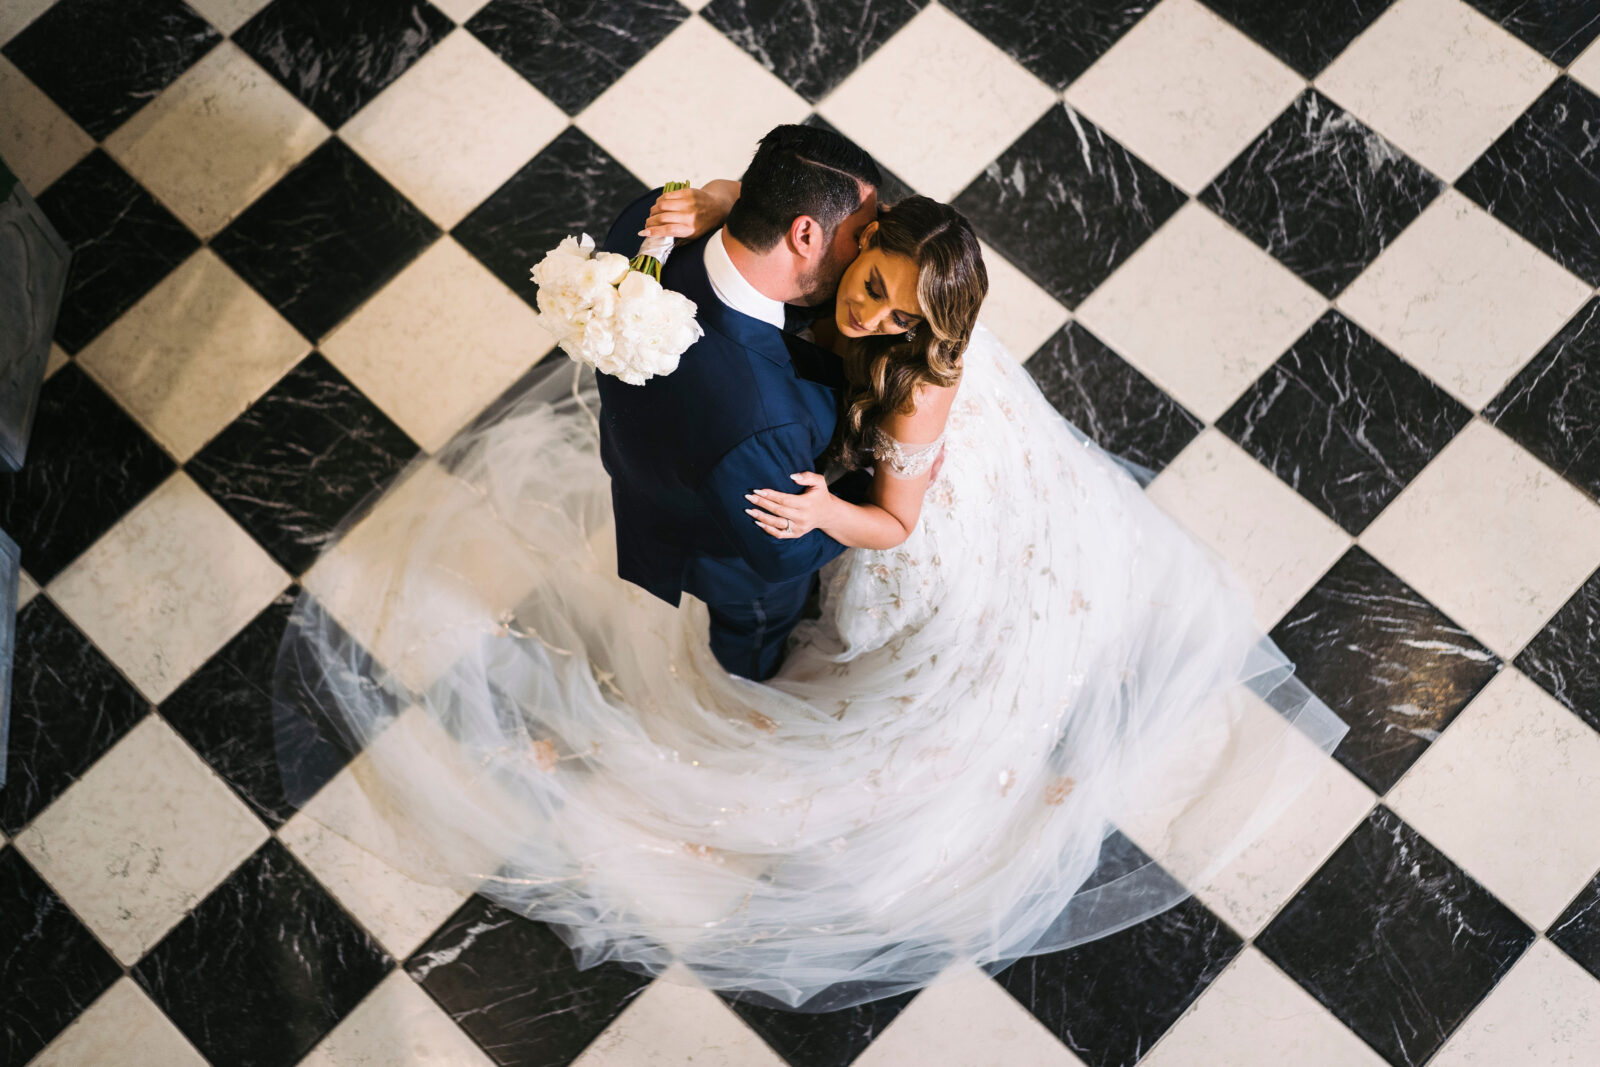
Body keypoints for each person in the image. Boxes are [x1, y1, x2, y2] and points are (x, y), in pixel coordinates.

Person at [270, 143, 1350, 1015]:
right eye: (867, 283)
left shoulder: (918, 381)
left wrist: (830, 510)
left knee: (885, 622)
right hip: (795, 434)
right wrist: (705, 201)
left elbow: (895, 515)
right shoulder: (823, 237)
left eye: (893, 314)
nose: (867, 316)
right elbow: (767, 190)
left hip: (895, 515)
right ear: (850, 229)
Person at [593, 124, 880, 682]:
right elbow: (783, 556)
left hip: (648, 459)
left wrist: (719, 196)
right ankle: (746, 683)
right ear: (804, 234)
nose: (869, 248)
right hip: (731, 559)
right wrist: (873, 482)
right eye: (860, 235)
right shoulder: (763, 419)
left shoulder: (649, 223)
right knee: (753, 636)